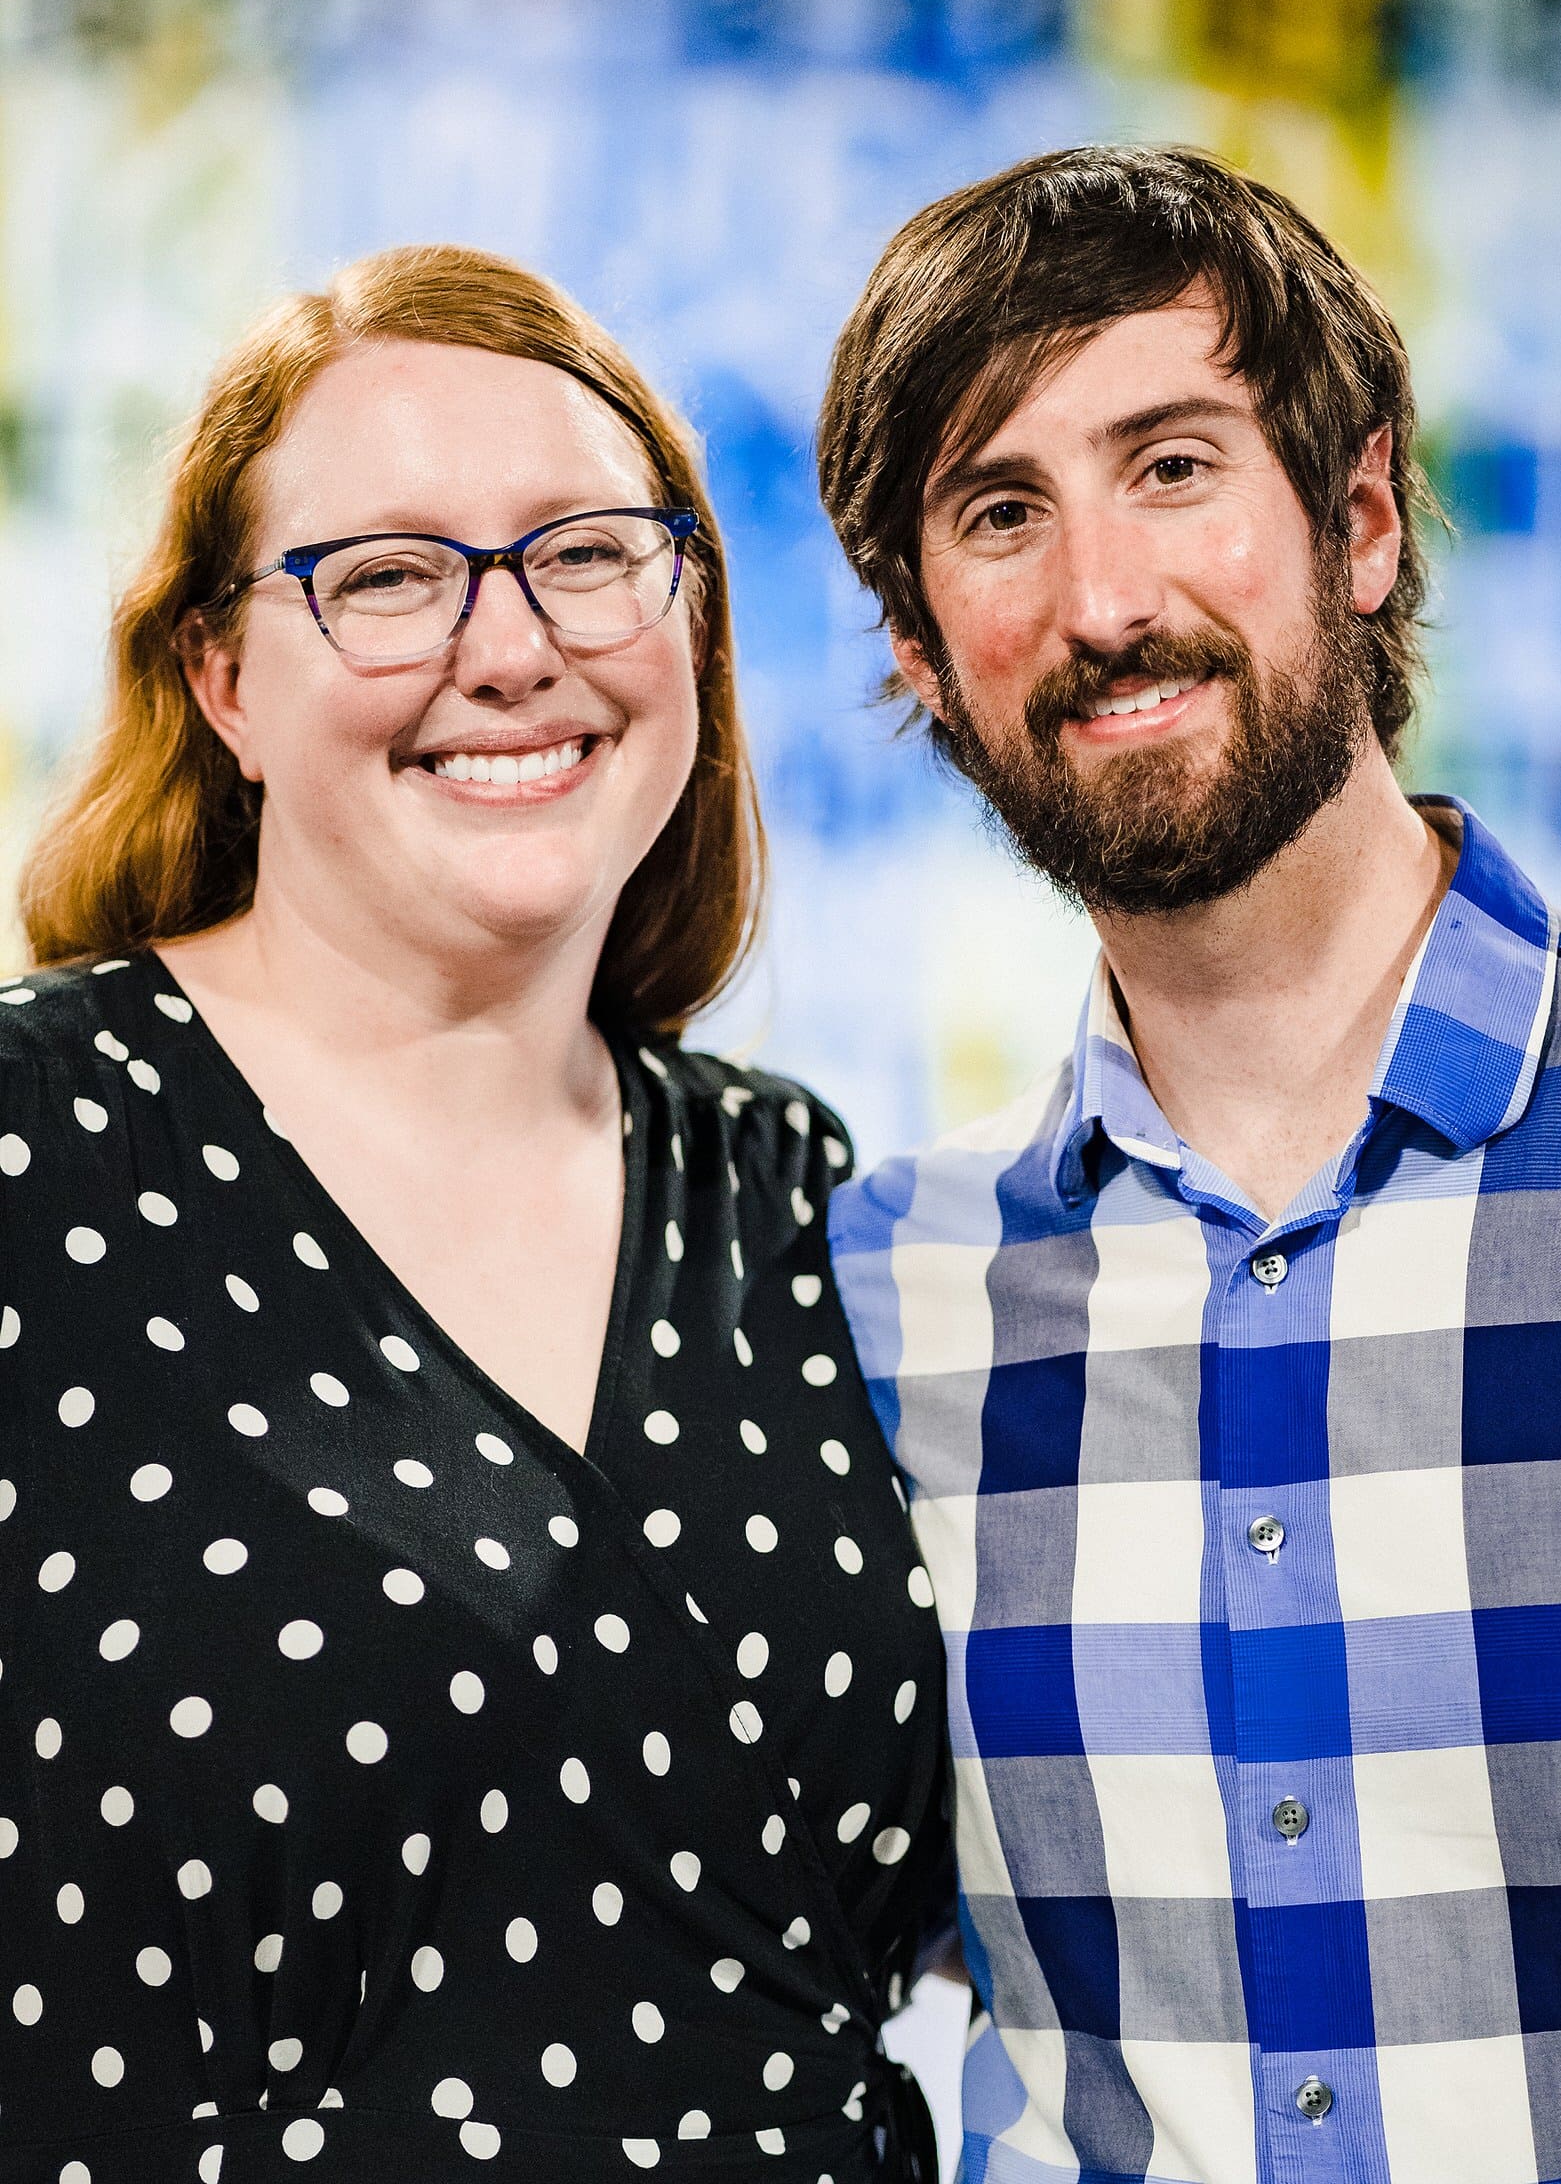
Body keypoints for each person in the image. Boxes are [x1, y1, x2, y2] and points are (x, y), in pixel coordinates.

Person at [0, 245, 949, 2183]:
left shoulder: (791, 1198)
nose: (509, 647)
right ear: (221, 680)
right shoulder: (36, 1155)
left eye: (587, 552)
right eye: (388, 577)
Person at [817, 144, 1561, 2184]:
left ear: (1350, 521)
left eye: (1170, 465)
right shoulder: (876, 1292)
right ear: (919, 649)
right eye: (1000, 514)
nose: (1101, 602)